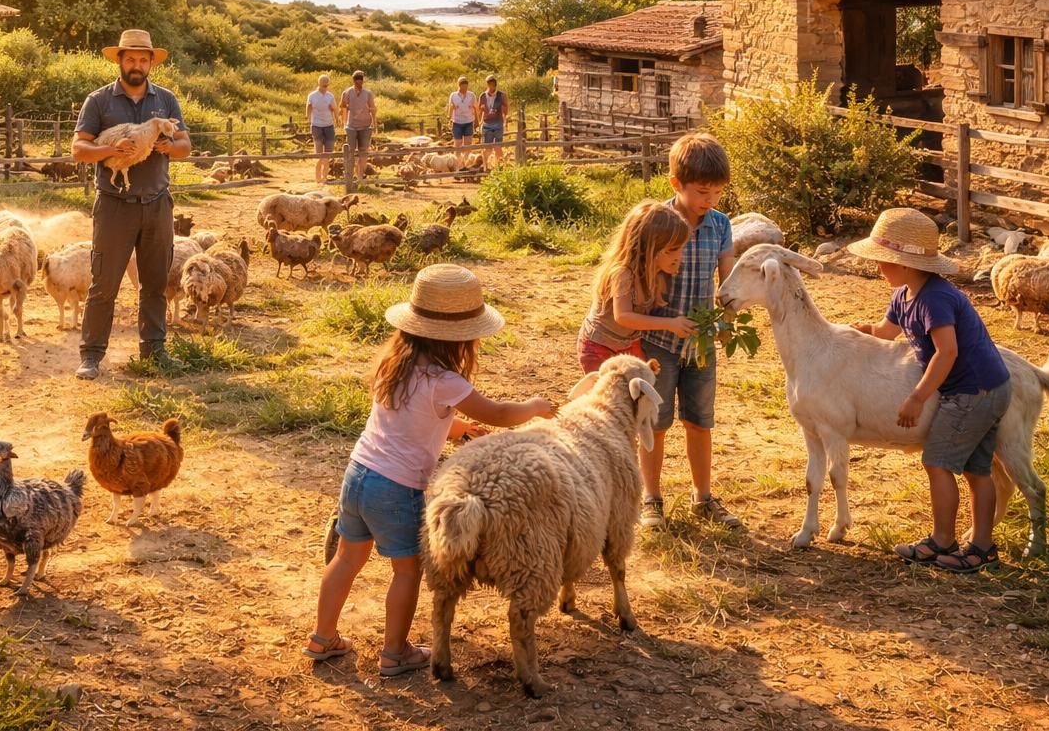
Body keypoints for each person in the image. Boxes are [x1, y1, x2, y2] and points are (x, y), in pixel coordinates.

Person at [302, 264, 555, 676]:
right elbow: (500, 413)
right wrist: (534, 407)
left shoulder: (393, 362)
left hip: (359, 473)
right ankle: (395, 651)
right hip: (397, 488)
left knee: (347, 559)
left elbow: (406, 418)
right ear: (461, 339)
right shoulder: (446, 381)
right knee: (408, 569)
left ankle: (322, 637)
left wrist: (456, 430)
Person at [848, 208, 1013, 573]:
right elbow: (885, 332)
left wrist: (917, 397)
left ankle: (943, 541)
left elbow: (948, 351)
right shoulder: (906, 294)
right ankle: (982, 548)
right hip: (990, 385)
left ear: (905, 264)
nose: (878, 268)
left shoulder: (934, 298)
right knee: (977, 469)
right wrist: (854, 331)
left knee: (937, 463)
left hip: (973, 391)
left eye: (883, 261)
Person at [71, 29, 192, 379]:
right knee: (103, 282)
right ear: (120, 61)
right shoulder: (99, 101)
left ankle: (154, 351)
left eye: (143, 59)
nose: (136, 65)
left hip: (156, 203)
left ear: (151, 62)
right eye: (130, 59)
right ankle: (91, 355)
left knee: (154, 282)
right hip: (114, 205)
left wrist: (169, 148)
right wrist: (113, 150)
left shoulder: (166, 101)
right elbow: (79, 149)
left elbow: (185, 145)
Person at [636, 132, 738, 531]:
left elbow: (726, 280)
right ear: (676, 184)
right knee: (655, 422)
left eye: (716, 193)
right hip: (658, 340)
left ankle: (703, 496)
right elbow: (639, 273)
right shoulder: (658, 222)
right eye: (701, 192)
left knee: (700, 419)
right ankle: (651, 499)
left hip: (701, 343)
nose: (709, 200)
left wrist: (727, 319)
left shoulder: (720, 225)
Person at [578, 201, 692, 374]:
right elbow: (623, 316)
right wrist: (670, 324)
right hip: (599, 345)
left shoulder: (656, 273)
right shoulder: (623, 274)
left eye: (681, 248)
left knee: (635, 391)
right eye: (673, 250)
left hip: (629, 344)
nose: (680, 256)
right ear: (648, 249)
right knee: (607, 396)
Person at [341, 70, 376, 182]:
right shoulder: (347, 93)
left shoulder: (368, 93)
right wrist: (344, 123)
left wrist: (374, 122)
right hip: (351, 126)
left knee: (363, 152)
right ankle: (350, 176)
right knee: (350, 151)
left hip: (365, 126)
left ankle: (360, 176)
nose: (359, 84)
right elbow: (343, 107)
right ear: (354, 81)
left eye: (360, 81)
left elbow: (373, 108)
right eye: (357, 81)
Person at [306, 74, 337, 185]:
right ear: (319, 84)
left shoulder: (330, 96)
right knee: (319, 154)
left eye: (326, 85)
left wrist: (336, 120)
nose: (325, 87)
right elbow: (308, 107)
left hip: (329, 126)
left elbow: (335, 108)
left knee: (327, 154)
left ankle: (324, 177)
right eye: (323, 85)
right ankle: (318, 178)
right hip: (317, 126)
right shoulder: (312, 95)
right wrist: (309, 119)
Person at [476, 74, 508, 169]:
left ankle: (499, 166)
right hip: (487, 123)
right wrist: (479, 122)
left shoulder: (501, 95)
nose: (491, 86)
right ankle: (486, 166)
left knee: (498, 147)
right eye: (489, 84)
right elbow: (479, 110)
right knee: (487, 147)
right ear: (487, 85)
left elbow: (506, 109)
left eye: (493, 84)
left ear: (495, 85)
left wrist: (505, 119)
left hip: (498, 122)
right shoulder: (483, 96)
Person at [447, 76, 476, 167]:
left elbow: (475, 107)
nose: (464, 88)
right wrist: (449, 118)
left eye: (466, 86)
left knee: (468, 144)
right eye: (463, 86)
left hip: (468, 121)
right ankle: (458, 164)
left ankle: (466, 164)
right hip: (457, 122)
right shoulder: (453, 95)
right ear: (459, 86)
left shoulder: (471, 95)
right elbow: (450, 106)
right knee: (458, 145)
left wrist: (477, 120)